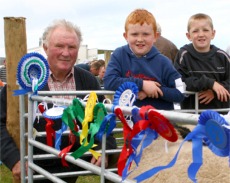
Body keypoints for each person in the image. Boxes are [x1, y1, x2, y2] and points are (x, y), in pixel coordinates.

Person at [0, 19, 117, 183]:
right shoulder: (26, 80)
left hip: (76, 157)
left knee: (121, 165)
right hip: (37, 163)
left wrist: (106, 150)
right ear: (46, 48)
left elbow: (101, 119)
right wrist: (14, 159)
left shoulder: (88, 81)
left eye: (72, 47)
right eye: (59, 46)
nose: (66, 52)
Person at [104, 9, 185, 110]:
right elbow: (109, 81)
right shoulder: (119, 55)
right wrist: (142, 84)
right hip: (129, 122)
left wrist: (154, 90)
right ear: (126, 36)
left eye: (146, 34)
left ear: (155, 36)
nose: (140, 39)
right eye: (134, 34)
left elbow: (179, 93)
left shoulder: (164, 62)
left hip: (159, 122)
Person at [174, 13, 230, 112]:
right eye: (195, 31)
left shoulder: (223, 57)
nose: (201, 34)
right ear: (188, 36)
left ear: (213, 34)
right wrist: (209, 83)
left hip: (220, 116)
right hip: (190, 116)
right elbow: (180, 82)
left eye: (205, 30)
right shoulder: (183, 55)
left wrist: (215, 91)